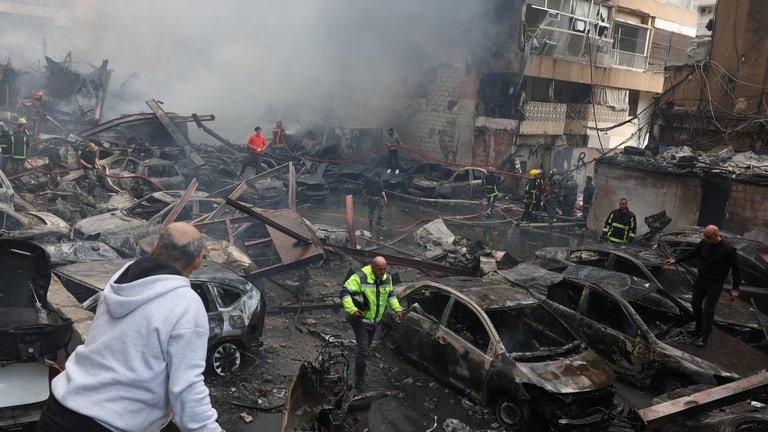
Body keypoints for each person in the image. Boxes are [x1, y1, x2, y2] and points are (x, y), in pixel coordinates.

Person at [37, 222, 223, 432]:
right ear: (198, 261)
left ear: (154, 247)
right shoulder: (186, 304)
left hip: (59, 409)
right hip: (108, 425)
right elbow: (187, 388)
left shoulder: (123, 278)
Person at [663, 225, 740, 347]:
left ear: (716, 235)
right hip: (701, 279)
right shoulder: (704, 243)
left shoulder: (728, 249)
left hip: (715, 283)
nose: (706, 240)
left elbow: (736, 269)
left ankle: (704, 336)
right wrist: (676, 260)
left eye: (709, 237)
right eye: (705, 237)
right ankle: (698, 327)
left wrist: (735, 288)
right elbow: (693, 253)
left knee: (708, 310)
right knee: (695, 303)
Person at [340, 256, 403, 392]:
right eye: (380, 269)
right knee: (363, 351)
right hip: (360, 320)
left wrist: (397, 308)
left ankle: (359, 368)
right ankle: (359, 382)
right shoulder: (361, 277)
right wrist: (352, 310)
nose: (383, 272)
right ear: (372, 267)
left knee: (365, 349)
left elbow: (391, 294)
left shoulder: (387, 278)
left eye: (385, 269)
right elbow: (344, 291)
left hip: (374, 322)